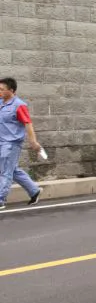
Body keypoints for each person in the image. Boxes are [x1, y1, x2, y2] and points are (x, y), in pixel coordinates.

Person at [0, 77, 42, 210]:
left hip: (11, 144)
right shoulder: (1, 102)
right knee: (12, 170)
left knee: (5, 171)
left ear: (11, 90)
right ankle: (34, 190)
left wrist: (33, 141)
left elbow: (28, 123)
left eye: (2, 89)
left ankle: (1, 199)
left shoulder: (19, 105)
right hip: (1, 142)